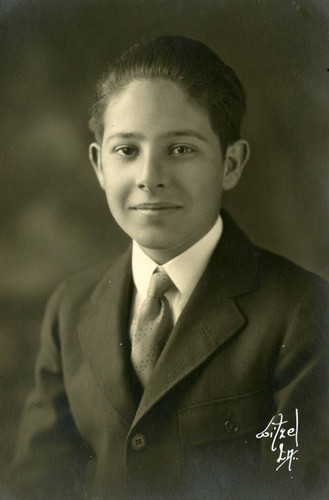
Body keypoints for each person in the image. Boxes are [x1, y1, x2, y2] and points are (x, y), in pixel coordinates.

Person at [8, 36, 329, 499]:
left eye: (181, 149)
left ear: (231, 164)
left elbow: (299, 484)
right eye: (127, 150)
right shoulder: (72, 306)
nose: (149, 176)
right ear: (99, 165)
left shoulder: (302, 311)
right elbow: (35, 485)